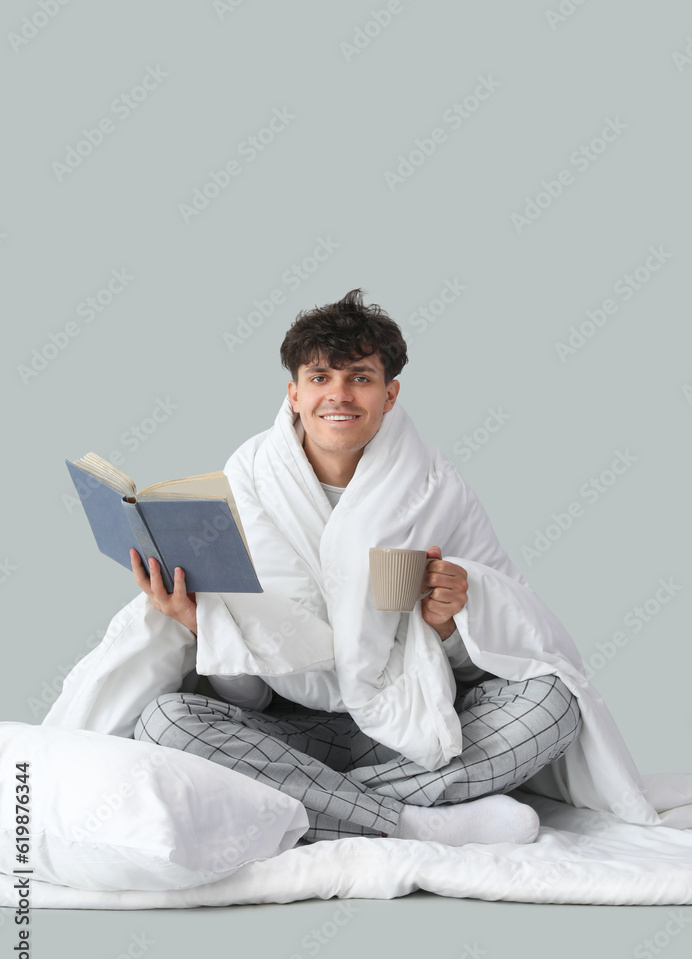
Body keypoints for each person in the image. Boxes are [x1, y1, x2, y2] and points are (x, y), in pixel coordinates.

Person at [131, 289, 583, 847]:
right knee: (165, 723)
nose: (338, 394)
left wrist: (451, 625)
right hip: (285, 729)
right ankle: (413, 821)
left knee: (555, 703)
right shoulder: (244, 485)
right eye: (320, 377)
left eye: (360, 378)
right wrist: (205, 626)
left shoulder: (436, 488)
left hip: (412, 726)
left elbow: (495, 659)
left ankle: (310, 806)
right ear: (293, 394)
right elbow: (246, 697)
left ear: (390, 394)